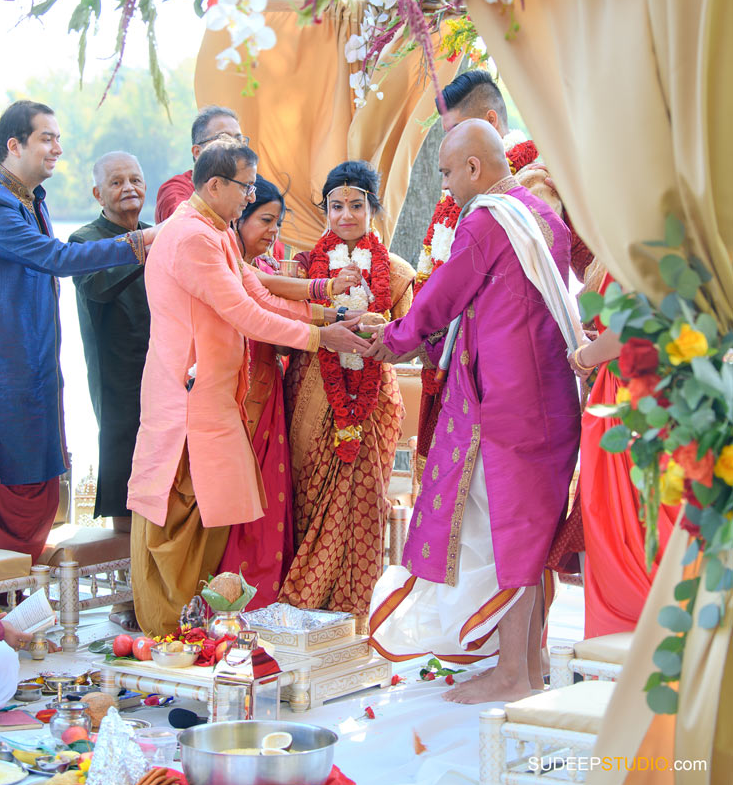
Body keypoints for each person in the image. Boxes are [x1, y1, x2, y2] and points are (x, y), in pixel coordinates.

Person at [367, 120, 582, 704]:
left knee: (511, 536)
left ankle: (512, 673)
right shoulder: (544, 218)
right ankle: (531, 664)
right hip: (552, 400)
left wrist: (393, 338)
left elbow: (445, 296)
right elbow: (497, 307)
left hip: (509, 406)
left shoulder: (488, 218)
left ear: (473, 168)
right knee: (533, 535)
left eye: (445, 172)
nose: (444, 187)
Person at [127, 140, 367, 635]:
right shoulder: (192, 236)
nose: (250, 197)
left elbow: (256, 290)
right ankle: (171, 631)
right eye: (246, 187)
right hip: (187, 397)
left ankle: (196, 625)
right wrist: (321, 334)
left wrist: (328, 313)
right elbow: (244, 313)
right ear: (214, 185)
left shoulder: (212, 230)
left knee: (210, 516)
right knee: (179, 516)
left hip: (213, 396)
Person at [0, 101, 156, 562]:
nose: (58, 147)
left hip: (39, 368)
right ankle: (3, 609)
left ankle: (21, 607)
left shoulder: (30, 202)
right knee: (15, 483)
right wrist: (142, 241)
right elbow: (57, 260)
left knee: (42, 481)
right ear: (13, 145)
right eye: (47, 138)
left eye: (58, 137)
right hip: (8, 373)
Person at [413, 69, 592, 482]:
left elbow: (570, 270)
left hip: (511, 379)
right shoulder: (465, 188)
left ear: (489, 125)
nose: (448, 146)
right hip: (456, 358)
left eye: (456, 129)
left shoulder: (536, 176)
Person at [278, 161, 416, 616]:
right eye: (335, 206)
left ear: (373, 208)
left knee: (365, 500)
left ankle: (356, 614)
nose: (345, 216)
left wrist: (380, 327)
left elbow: (409, 338)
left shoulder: (396, 273)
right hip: (314, 395)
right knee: (311, 494)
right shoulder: (301, 269)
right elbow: (284, 327)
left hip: (374, 399)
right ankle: (302, 608)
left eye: (356, 205)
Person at [567, 269, 678, 637]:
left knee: (633, 516)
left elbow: (629, 329)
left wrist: (585, 356)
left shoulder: (641, 251)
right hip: (653, 387)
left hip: (633, 394)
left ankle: (639, 630)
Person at [69, 153, 151, 530]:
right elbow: (98, 288)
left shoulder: (155, 232)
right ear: (97, 193)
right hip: (116, 368)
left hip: (163, 365)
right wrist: (144, 247)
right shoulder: (83, 239)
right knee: (123, 458)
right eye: (116, 182)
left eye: (134, 180)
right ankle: (125, 564)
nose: (128, 188)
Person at [155, 104, 246, 223]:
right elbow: (186, 226)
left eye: (239, 141)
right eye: (224, 139)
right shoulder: (177, 190)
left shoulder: (247, 189)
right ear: (198, 152)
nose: (235, 148)